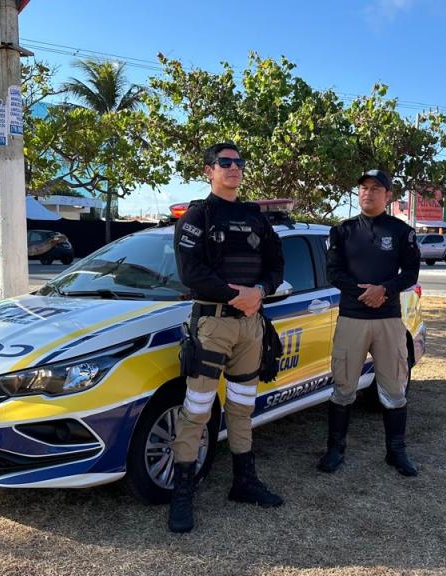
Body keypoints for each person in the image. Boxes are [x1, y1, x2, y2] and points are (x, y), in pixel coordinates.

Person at [169, 142, 285, 533]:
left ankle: (244, 483)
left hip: (251, 326)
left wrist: (261, 291)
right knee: (197, 408)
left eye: (238, 162)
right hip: (213, 325)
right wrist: (238, 295)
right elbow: (191, 273)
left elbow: (276, 264)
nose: (234, 167)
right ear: (209, 170)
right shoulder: (197, 216)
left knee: (242, 406)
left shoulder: (255, 218)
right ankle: (182, 494)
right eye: (225, 162)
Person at [320, 169, 421, 477]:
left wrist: (384, 290)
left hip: (388, 320)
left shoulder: (401, 231)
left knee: (394, 389)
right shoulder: (342, 230)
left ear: (388, 195)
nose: (368, 192)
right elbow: (333, 273)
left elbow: (410, 273)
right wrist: (363, 293)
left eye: (376, 188)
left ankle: (396, 452)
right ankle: (335, 450)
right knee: (343, 387)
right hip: (352, 317)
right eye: (363, 187)